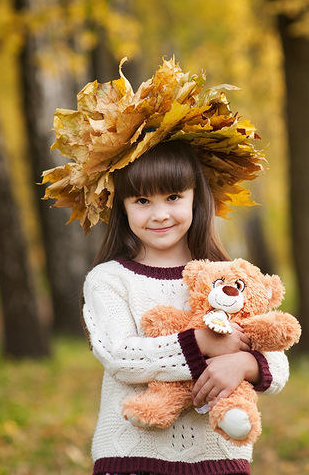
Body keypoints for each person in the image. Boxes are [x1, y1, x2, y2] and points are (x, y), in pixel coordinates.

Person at [43, 59, 290, 475]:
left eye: (173, 197)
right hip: (132, 458)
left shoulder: (227, 278)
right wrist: (204, 344)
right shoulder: (110, 280)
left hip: (219, 460)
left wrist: (245, 363)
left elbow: (276, 359)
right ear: (122, 207)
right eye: (142, 201)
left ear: (197, 197)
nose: (159, 214)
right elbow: (122, 356)